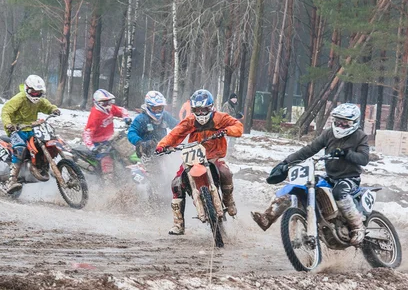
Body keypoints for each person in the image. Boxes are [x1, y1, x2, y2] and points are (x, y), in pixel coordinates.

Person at [251, 103, 369, 245]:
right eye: (338, 121)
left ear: (354, 122)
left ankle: (357, 227)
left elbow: (364, 158)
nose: (341, 125)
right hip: (330, 176)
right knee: (304, 186)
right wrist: (286, 163)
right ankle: (268, 217)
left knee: (339, 192)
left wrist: (346, 153)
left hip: (349, 178)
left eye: (345, 122)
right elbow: (309, 149)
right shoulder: (329, 133)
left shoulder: (360, 136)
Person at [156, 89, 243, 235]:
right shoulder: (190, 120)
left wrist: (227, 131)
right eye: (198, 110)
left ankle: (228, 200)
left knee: (225, 172)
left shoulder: (220, 117)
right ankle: (178, 224)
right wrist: (162, 145)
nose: (201, 113)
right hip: (193, 156)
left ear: (211, 107)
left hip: (214, 155)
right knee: (176, 183)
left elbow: (237, 126)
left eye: (204, 109)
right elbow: (175, 133)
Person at [1, 74, 60, 193]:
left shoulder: (39, 100)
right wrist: (8, 124)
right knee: (20, 149)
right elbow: (6, 110)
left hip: (32, 128)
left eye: (38, 93)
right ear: (27, 89)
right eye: (33, 92)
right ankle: (11, 181)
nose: (36, 95)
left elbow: (46, 105)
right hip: (17, 130)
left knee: (47, 141)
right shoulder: (19, 98)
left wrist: (53, 109)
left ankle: (42, 165)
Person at [83, 89, 131, 179]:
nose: (108, 105)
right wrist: (92, 147)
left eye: (110, 102)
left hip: (110, 138)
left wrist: (126, 118)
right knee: (106, 160)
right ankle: (108, 183)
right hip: (98, 143)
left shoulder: (110, 109)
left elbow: (122, 110)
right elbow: (87, 133)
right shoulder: (95, 116)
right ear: (97, 103)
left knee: (126, 151)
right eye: (105, 103)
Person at [127, 91, 178, 158]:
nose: (157, 111)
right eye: (154, 108)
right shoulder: (142, 118)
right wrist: (139, 143)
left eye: (160, 108)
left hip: (163, 149)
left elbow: (178, 126)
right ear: (148, 106)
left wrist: (189, 128)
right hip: (146, 152)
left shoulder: (165, 116)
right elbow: (131, 132)